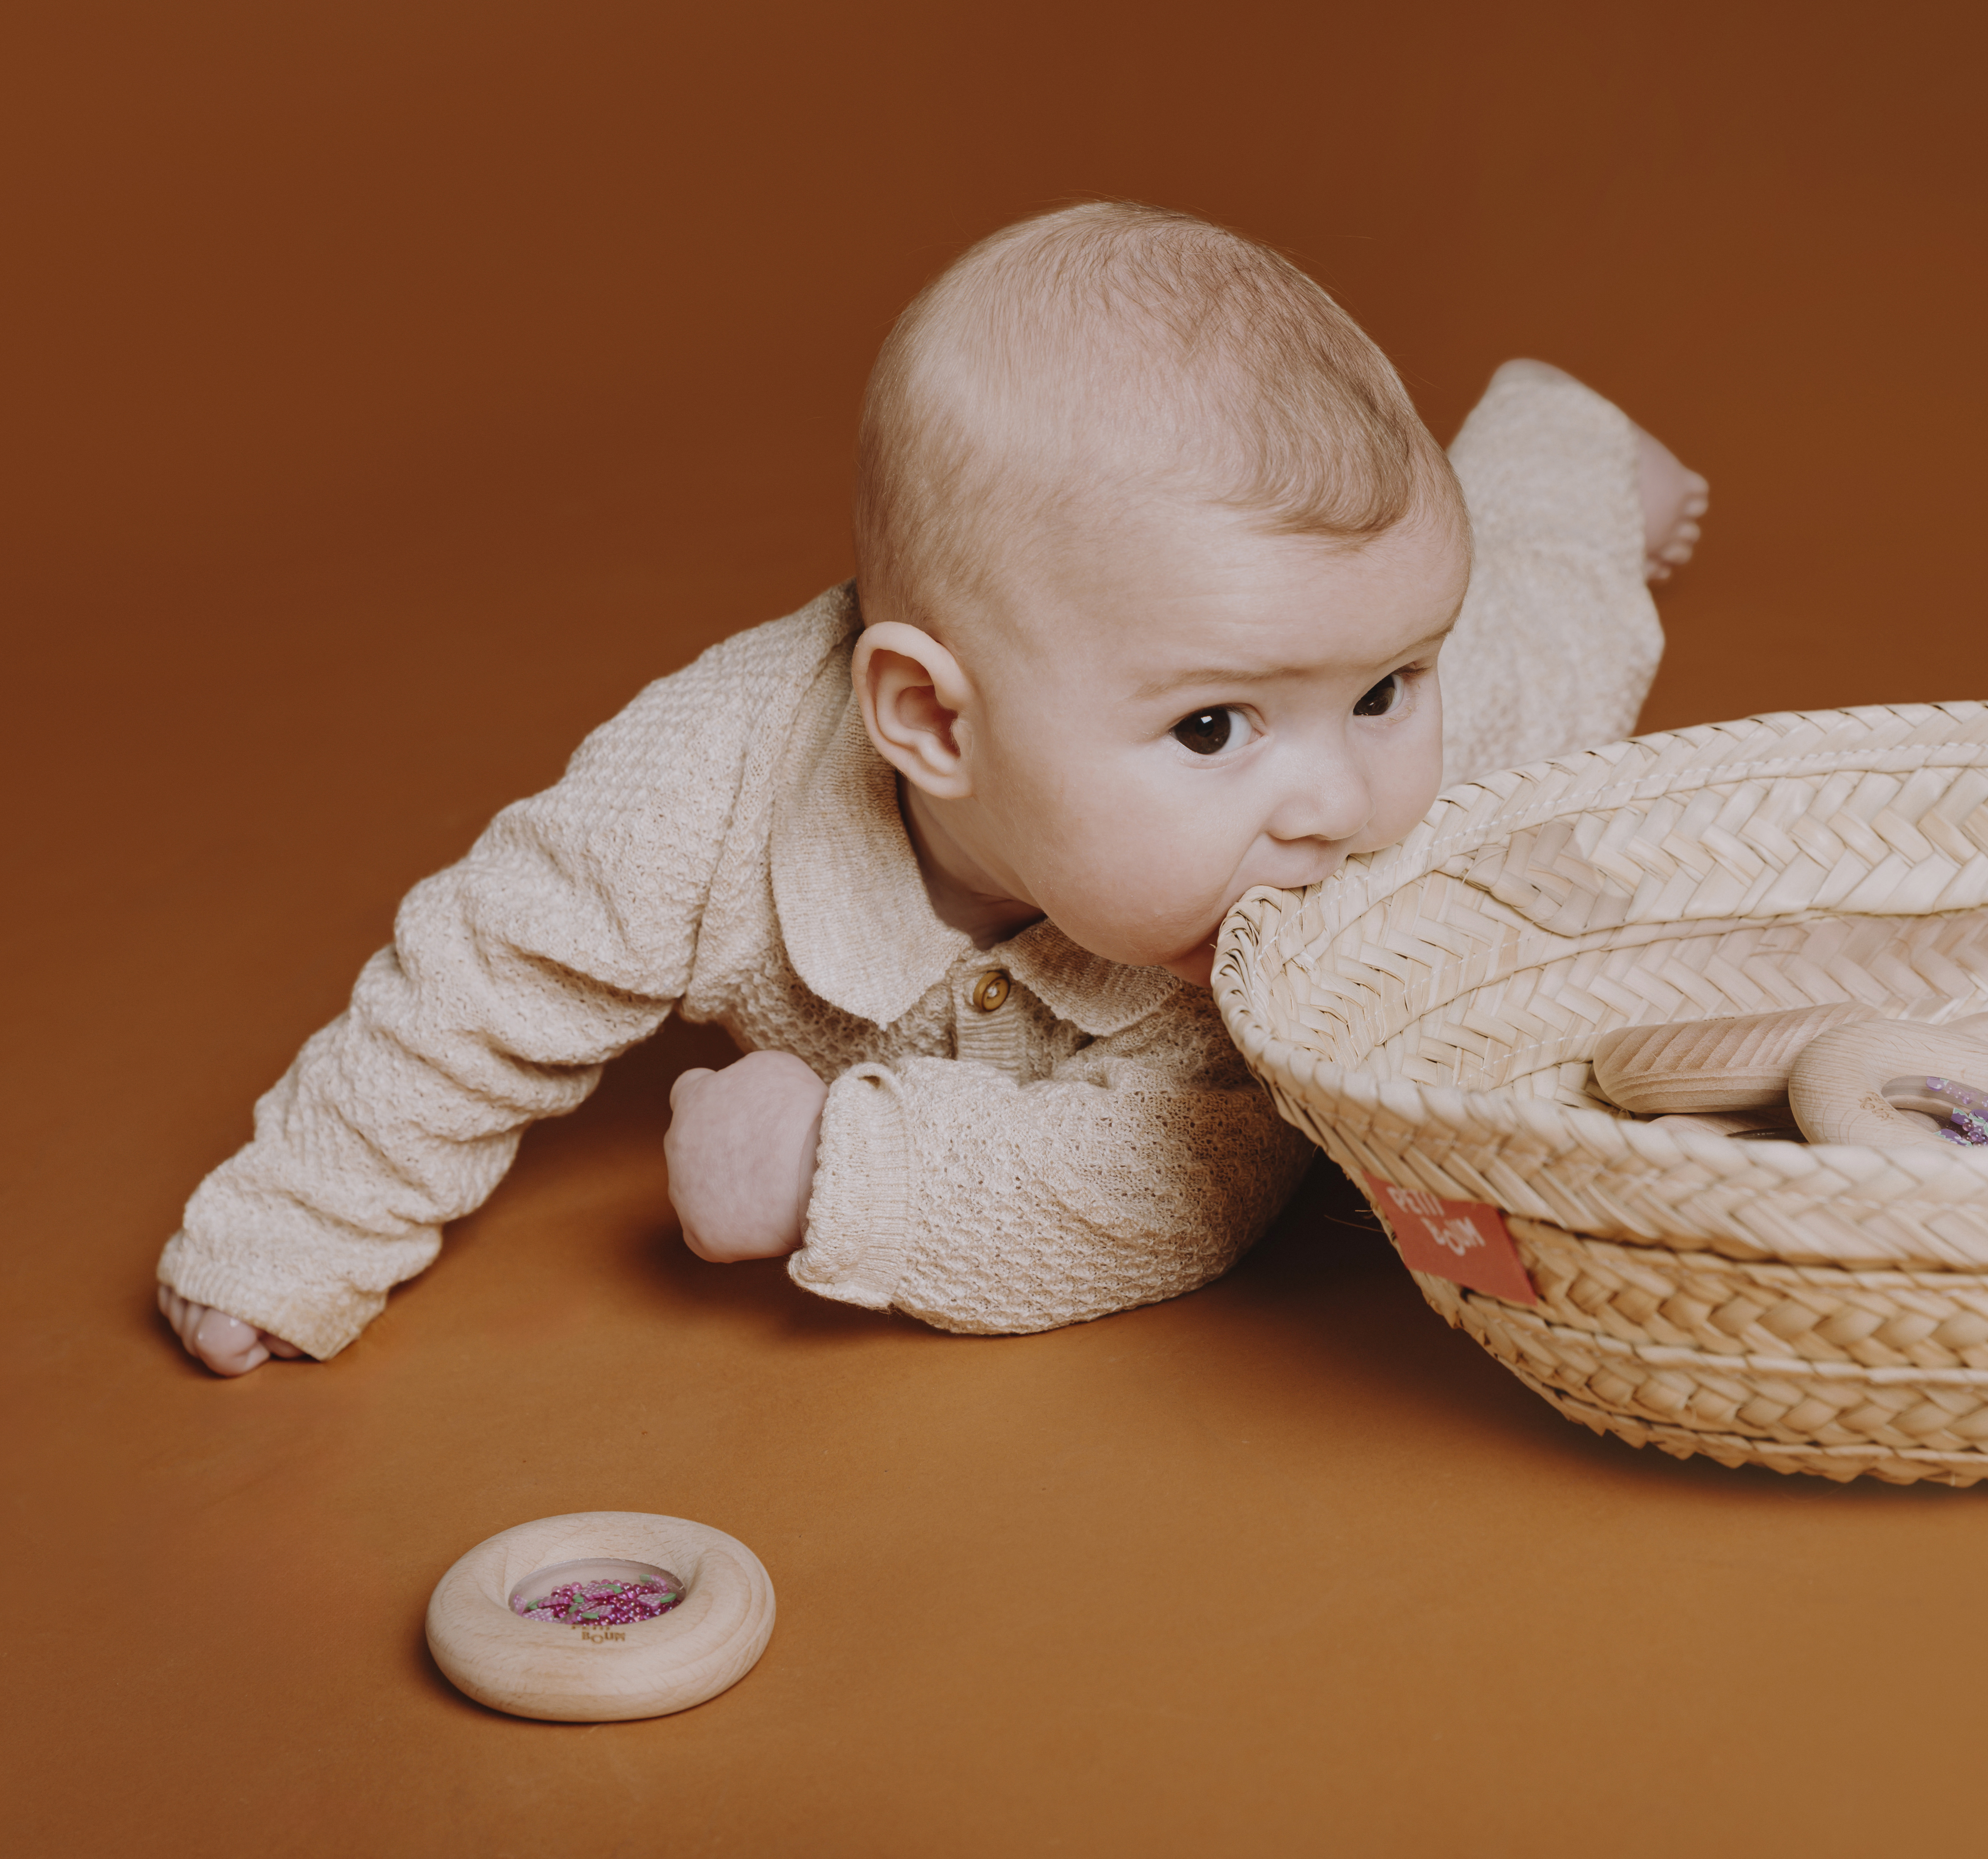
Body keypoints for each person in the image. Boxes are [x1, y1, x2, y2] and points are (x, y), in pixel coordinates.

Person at [154, 201, 1705, 1374]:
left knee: (1537, 630)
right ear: (930, 721)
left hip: (1481, 651)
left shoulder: (1313, 862)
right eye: (1216, 730)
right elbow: (483, 974)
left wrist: (846, 1170)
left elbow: (1191, 1179)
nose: (1335, 806)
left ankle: (1560, 451)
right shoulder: (702, 787)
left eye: (1381, 696)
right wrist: (292, 1233)